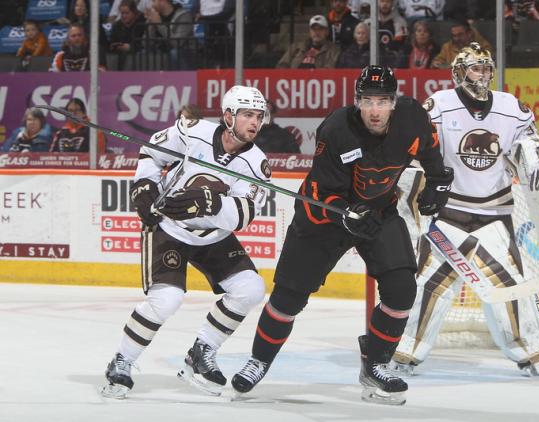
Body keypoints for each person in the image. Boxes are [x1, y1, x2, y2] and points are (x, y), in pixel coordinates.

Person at [230, 65, 453, 405]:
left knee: (402, 287)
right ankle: (258, 360)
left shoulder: (414, 118)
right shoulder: (336, 129)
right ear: (357, 102)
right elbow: (320, 190)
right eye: (367, 101)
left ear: (394, 102)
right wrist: (345, 214)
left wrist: (438, 179)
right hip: (323, 219)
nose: (374, 110)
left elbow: (430, 148)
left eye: (382, 101)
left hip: (378, 212)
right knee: (290, 296)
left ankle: (376, 363)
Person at [391, 42, 539, 377]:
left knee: (507, 283)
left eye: (486, 68)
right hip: (447, 211)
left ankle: (527, 349)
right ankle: (405, 350)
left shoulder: (511, 106)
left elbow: (531, 141)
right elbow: (415, 143)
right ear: (458, 72)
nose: (482, 74)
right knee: (429, 284)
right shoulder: (439, 104)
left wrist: (533, 154)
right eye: (475, 68)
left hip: (495, 212)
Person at [101, 85, 272, 399]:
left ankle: (201, 351)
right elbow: (151, 151)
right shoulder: (192, 132)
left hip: (212, 236)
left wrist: (212, 205)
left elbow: (246, 212)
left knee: (250, 288)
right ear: (228, 115)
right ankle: (122, 360)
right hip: (169, 226)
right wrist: (143, 185)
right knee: (167, 300)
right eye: (248, 115)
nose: (255, 122)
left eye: (259, 116)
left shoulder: (257, 165)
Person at [144, 0, 194, 70]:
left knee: (174, 53)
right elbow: (146, 44)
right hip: (162, 51)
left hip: (184, 53)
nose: (152, 5)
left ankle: (179, 79)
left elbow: (177, 43)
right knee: (143, 53)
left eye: (154, 1)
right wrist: (151, 26)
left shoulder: (184, 15)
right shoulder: (156, 16)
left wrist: (159, 24)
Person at [276, 15, 341, 69]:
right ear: (310, 32)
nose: (317, 32)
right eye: (314, 29)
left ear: (327, 32)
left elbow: (329, 71)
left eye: (320, 29)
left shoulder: (334, 50)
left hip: (317, 83)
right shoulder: (296, 47)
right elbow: (282, 64)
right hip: (294, 82)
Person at [109, 0, 147, 70]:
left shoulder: (142, 22)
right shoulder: (117, 25)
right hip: (120, 53)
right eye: (122, 13)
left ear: (134, 12)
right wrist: (115, 45)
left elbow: (143, 43)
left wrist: (129, 47)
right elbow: (112, 41)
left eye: (127, 13)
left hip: (138, 54)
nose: (124, 16)